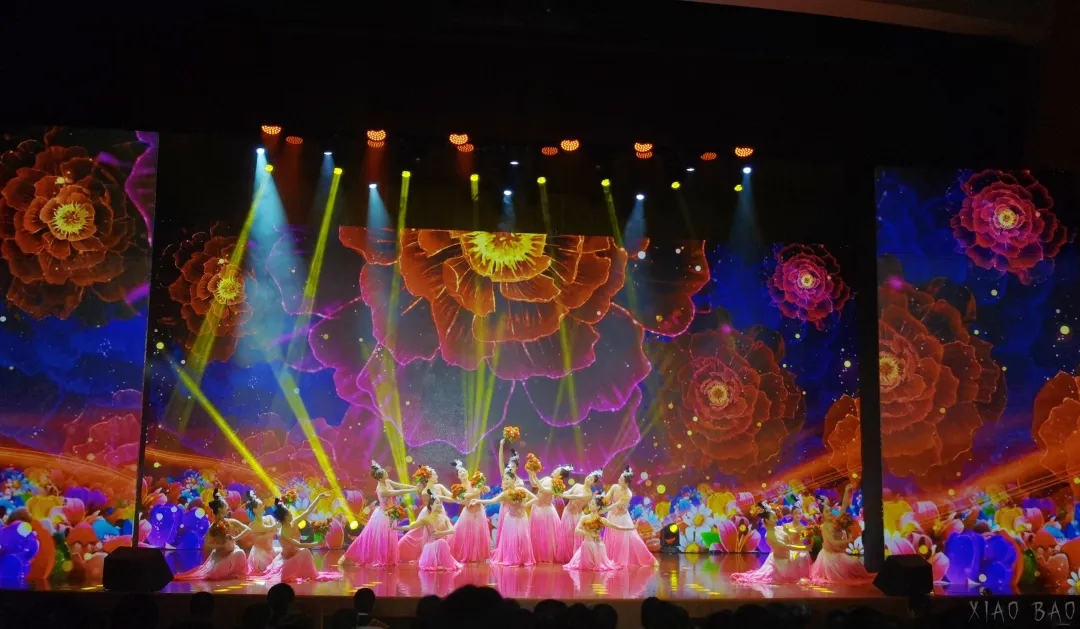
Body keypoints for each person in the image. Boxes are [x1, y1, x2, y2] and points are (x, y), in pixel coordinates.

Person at [340, 461, 419, 567]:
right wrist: (414, 489)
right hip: (383, 515)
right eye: (385, 474)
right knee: (380, 537)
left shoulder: (387, 481)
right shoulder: (381, 489)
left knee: (389, 536)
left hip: (390, 513)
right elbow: (397, 492)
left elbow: (399, 486)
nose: (387, 474)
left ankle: (388, 558)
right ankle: (377, 557)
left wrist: (413, 487)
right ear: (380, 478)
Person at [257, 493, 341, 583]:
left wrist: (318, 498)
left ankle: (307, 573)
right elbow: (299, 545)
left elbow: (307, 511)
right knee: (305, 551)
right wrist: (316, 543)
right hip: (289, 559)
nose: (291, 514)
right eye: (289, 514)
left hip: (296, 553)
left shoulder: (293, 522)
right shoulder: (284, 532)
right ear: (285, 517)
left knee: (304, 552)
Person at [174, 489, 250, 581]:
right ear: (219, 510)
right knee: (216, 572)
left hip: (232, 551)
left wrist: (235, 538)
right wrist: (221, 546)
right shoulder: (212, 527)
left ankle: (234, 572)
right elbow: (206, 546)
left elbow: (248, 529)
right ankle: (226, 571)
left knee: (240, 553)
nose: (227, 509)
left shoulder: (231, 522)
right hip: (220, 556)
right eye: (225, 507)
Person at [809, 483, 875, 585]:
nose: (830, 513)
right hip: (829, 557)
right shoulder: (825, 527)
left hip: (837, 553)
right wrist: (848, 540)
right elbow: (834, 542)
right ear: (822, 515)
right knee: (849, 567)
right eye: (827, 512)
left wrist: (847, 491)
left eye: (830, 511)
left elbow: (843, 507)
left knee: (855, 563)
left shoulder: (835, 521)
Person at [730, 501, 810, 584]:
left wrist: (805, 531)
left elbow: (792, 533)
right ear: (767, 520)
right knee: (800, 558)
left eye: (776, 517)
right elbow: (786, 546)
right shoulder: (770, 535)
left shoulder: (778, 528)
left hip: (787, 557)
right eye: (774, 518)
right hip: (781, 564)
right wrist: (803, 548)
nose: (776, 520)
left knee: (802, 557)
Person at [472, 478, 537, 567]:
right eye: (504, 480)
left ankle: (523, 558)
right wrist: (478, 501)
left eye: (507, 479)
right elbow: (493, 500)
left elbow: (535, 498)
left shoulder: (521, 490)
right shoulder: (505, 494)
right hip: (511, 519)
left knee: (523, 537)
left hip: (522, 518)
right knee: (513, 538)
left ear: (513, 480)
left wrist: (525, 505)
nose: (505, 481)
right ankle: (512, 558)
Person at [602, 466, 658, 568]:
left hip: (622, 518)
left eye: (621, 480)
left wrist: (604, 509)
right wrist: (602, 500)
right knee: (612, 538)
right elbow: (607, 497)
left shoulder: (628, 494)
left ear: (626, 483)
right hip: (612, 516)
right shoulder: (614, 487)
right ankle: (611, 559)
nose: (618, 481)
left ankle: (649, 559)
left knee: (632, 538)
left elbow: (617, 504)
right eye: (619, 478)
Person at [393, 491, 463, 572]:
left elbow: (452, 530)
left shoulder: (445, 518)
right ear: (431, 505)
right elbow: (410, 527)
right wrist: (395, 527)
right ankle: (437, 562)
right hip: (431, 547)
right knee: (442, 542)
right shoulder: (426, 519)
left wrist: (441, 533)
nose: (440, 505)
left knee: (442, 542)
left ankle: (441, 562)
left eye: (440, 503)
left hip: (441, 545)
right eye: (437, 503)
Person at [564, 495, 636, 571]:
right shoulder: (584, 517)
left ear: (598, 507)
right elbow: (577, 530)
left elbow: (617, 527)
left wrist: (632, 528)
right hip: (587, 544)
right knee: (587, 547)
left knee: (598, 553)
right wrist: (589, 534)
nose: (590, 505)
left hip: (598, 545)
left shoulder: (602, 520)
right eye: (590, 503)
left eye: (592, 504)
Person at [399, 465, 455, 562]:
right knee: (418, 533)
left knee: (442, 533)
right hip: (429, 513)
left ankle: (440, 556)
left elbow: (451, 496)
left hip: (440, 511)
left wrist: (459, 493)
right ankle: (402, 550)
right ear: (429, 477)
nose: (437, 476)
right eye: (435, 475)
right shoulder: (425, 492)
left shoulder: (439, 486)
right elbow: (431, 506)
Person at [526, 460, 571, 563]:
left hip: (546, 511)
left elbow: (543, 489)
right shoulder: (547, 478)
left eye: (557, 471)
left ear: (560, 476)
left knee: (546, 535)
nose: (555, 470)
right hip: (537, 508)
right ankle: (537, 555)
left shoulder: (557, 486)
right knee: (536, 533)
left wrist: (534, 475)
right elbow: (534, 484)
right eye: (556, 469)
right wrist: (530, 473)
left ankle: (547, 555)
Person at [450, 461, 491, 563]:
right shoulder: (458, 489)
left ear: (467, 473)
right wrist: (474, 493)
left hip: (479, 511)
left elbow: (487, 490)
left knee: (478, 533)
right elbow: (461, 499)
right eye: (460, 472)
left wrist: (483, 487)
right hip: (468, 512)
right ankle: (468, 555)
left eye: (464, 471)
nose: (462, 473)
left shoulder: (474, 483)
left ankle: (478, 555)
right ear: (458, 476)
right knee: (468, 533)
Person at [558, 469, 600, 558]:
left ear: (593, 483)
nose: (588, 480)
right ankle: (566, 556)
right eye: (588, 477)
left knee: (573, 535)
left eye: (591, 480)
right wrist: (559, 491)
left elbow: (575, 496)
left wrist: (562, 495)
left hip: (576, 516)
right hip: (567, 513)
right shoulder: (577, 485)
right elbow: (568, 492)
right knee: (566, 534)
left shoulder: (589, 494)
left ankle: (574, 557)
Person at [242, 490, 281, 574]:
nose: (263, 506)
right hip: (260, 554)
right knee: (272, 571)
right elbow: (272, 529)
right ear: (255, 510)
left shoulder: (269, 517)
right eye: (260, 505)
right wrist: (274, 529)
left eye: (262, 504)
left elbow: (275, 531)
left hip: (272, 550)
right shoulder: (253, 525)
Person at [495, 441, 525, 545]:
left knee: (515, 533)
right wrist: (501, 445)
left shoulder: (520, 481)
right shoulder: (505, 476)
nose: (510, 467)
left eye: (513, 466)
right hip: (505, 507)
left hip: (515, 509)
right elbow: (500, 461)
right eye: (509, 465)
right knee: (505, 531)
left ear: (517, 467)